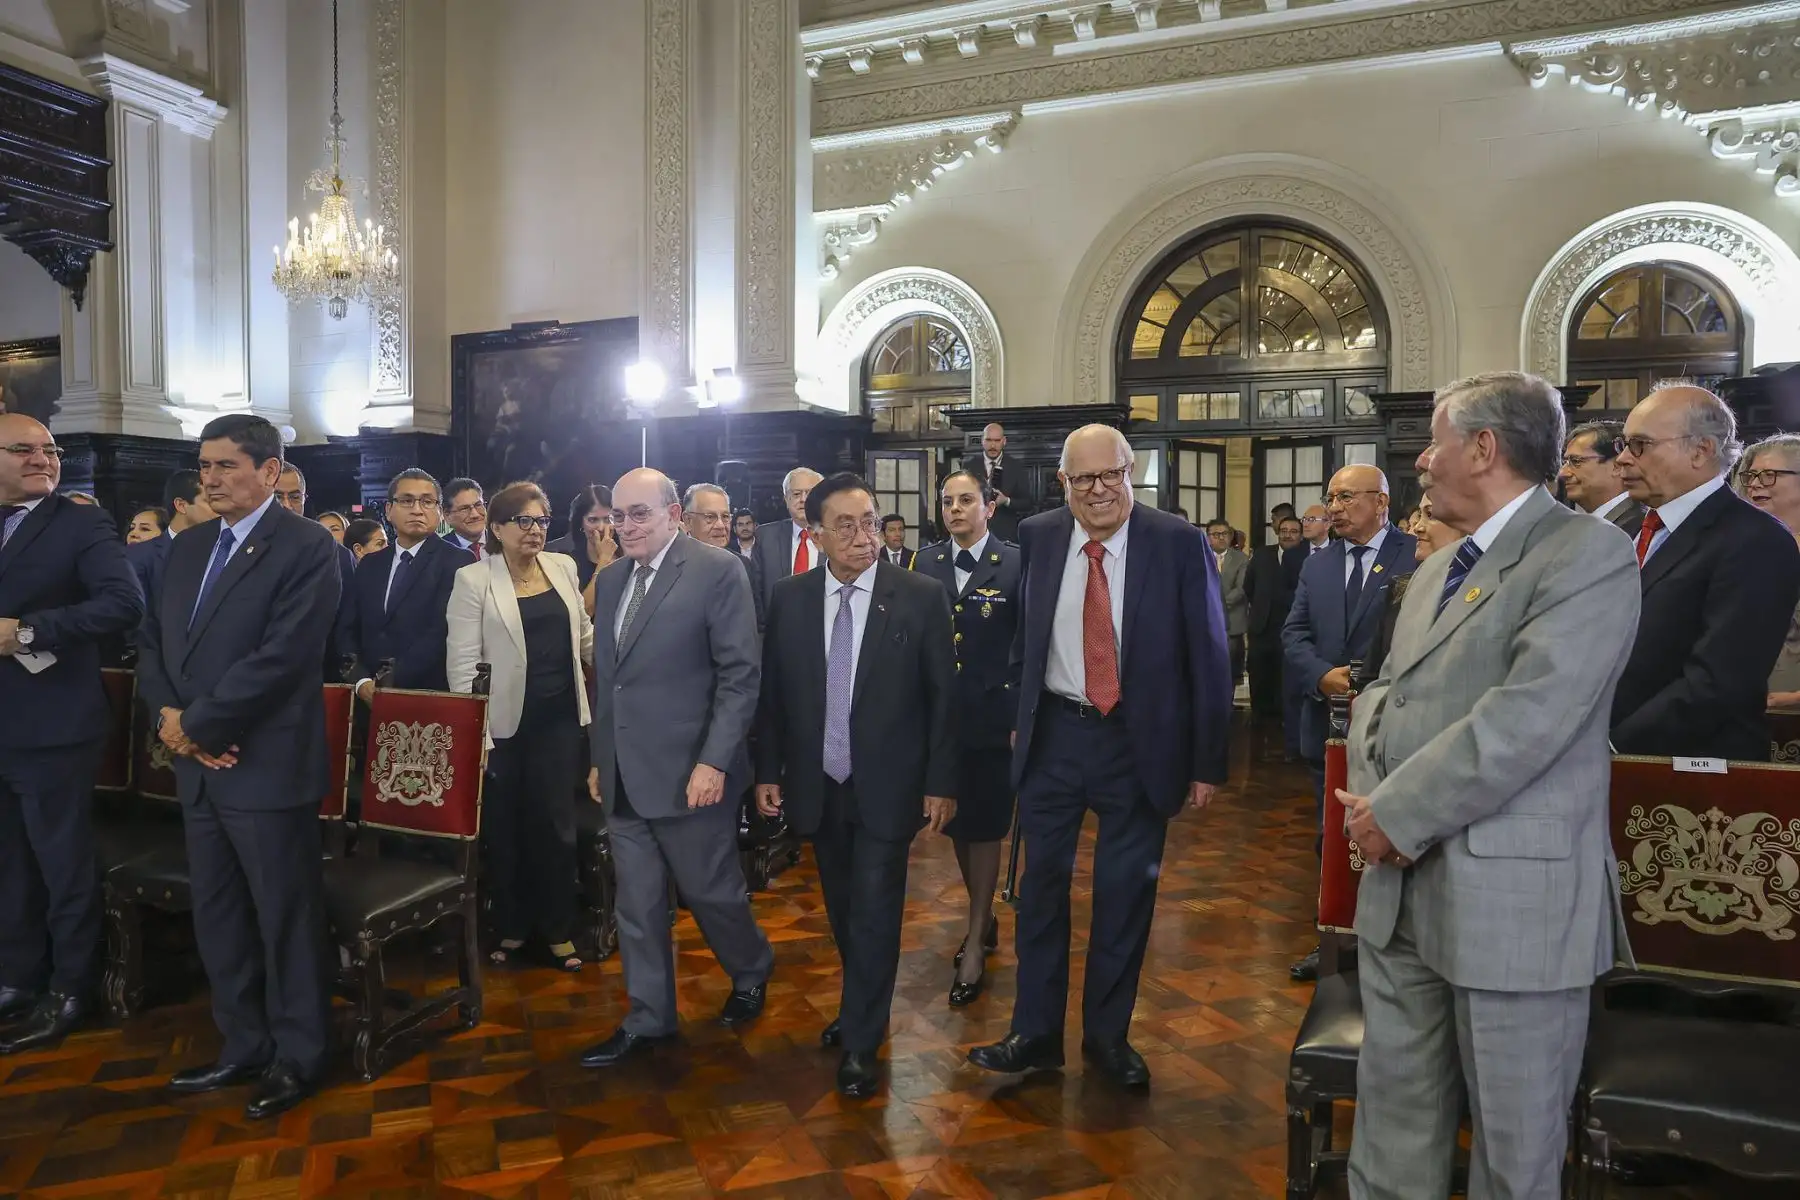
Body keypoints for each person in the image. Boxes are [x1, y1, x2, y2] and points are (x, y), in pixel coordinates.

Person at [1338, 372, 1639, 1199]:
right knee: (1391, 1130)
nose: (1422, 461)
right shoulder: (1434, 570)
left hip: (1513, 907)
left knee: (1513, 1153)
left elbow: (1529, 719)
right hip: (1402, 889)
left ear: (1484, 448)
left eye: (1435, 442)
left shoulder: (1588, 555)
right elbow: (1383, 693)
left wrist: (1394, 813)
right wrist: (1372, 808)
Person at [968, 425, 1231, 1090]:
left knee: (1124, 894)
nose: (1099, 490)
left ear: (1131, 471)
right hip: (1055, 737)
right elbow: (1025, 633)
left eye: (1110, 475)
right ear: (1063, 483)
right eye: (1083, 479)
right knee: (1040, 893)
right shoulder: (1040, 534)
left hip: (1137, 745)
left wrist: (1206, 763)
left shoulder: (1175, 542)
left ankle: (1109, 1038)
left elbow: (1209, 656)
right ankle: (1035, 1034)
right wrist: (1018, 721)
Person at [137, 414, 341, 1120]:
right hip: (200, 765)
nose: (212, 479)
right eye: (205, 467)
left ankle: (301, 1054)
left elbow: (285, 656)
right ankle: (244, 1043)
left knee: (284, 917)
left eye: (226, 466)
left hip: (265, 763)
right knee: (220, 914)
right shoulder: (187, 547)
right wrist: (173, 721)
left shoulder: (307, 546)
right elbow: (156, 643)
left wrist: (199, 725)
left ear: (272, 470)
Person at [755, 472, 956, 1098]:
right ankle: (859, 1004)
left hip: (890, 786)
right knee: (844, 911)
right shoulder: (789, 598)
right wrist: (767, 771)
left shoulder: (919, 595)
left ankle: (863, 1042)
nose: (864, 535)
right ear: (816, 534)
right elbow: (774, 698)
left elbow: (942, 700)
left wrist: (940, 782)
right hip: (818, 783)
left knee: (874, 910)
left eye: (870, 520)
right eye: (846, 525)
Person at [577, 470, 771, 1068]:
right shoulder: (610, 582)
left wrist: (714, 762)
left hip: (693, 775)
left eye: (638, 514)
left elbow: (740, 676)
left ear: (672, 516)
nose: (625, 526)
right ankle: (649, 1018)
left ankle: (750, 970)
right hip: (624, 776)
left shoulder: (717, 571)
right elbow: (609, 683)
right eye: (618, 516)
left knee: (712, 894)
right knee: (634, 905)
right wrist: (598, 760)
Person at [0, 414, 143, 1053]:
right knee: (8, 861)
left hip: (53, 724)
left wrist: (27, 631)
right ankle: (16, 977)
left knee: (60, 861)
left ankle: (70, 988)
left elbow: (122, 604)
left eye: (50, 450)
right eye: (24, 450)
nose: (42, 459)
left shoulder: (80, 521)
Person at [1611, 383, 1800, 760]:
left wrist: (1614, 743)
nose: (1623, 460)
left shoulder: (1755, 539)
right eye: (1623, 444)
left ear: (1701, 450)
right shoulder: (1629, 530)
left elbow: (1720, 680)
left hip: (1694, 772)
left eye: (1640, 445)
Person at [446, 481, 592, 971]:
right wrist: (478, 736)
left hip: (559, 721)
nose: (535, 530)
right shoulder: (474, 579)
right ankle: (511, 927)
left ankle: (557, 930)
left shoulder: (563, 566)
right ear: (497, 527)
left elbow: (584, 638)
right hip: (503, 727)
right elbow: (463, 665)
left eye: (542, 521)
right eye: (523, 521)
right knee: (505, 830)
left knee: (555, 828)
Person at [1281, 465, 1415, 981]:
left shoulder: (1415, 552)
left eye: (1345, 497)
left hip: (1393, 724)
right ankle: (1336, 935)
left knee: (1392, 833)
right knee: (1331, 836)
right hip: (1328, 723)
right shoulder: (1317, 563)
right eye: (1330, 498)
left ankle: (1392, 942)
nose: (1333, 507)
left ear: (1380, 501)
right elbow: (1293, 632)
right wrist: (1321, 676)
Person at [914, 469, 1019, 1006]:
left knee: (987, 825)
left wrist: (1023, 713)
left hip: (992, 717)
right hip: (941, 719)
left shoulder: (1016, 563)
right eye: (948, 502)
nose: (955, 509)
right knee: (958, 824)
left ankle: (975, 936)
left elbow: (1026, 645)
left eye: (966, 500)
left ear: (988, 507)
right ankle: (984, 916)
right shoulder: (925, 562)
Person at [338, 470, 463, 696]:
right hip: (365, 696)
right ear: (388, 510)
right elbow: (348, 628)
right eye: (406, 501)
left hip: (426, 696)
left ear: (440, 512)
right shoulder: (369, 564)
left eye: (427, 501)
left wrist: (388, 685)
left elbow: (440, 633)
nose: (417, 509)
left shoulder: (458, 561)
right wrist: (361, 681)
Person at [1741, 434, 1800, 711]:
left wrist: (1793, 699)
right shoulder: (1740, 548)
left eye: (1769, 475)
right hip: (1741, 711)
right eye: (1751, 475)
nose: (1754, 484)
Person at [1245, 513, 1302, 727]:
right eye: (1284, 531)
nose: (1288, 535)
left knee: (1284, 677)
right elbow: (1248, 587)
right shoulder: (1262, 554)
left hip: (1290, 627)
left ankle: (1284, 720)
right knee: (1259, 673)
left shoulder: (1307, 557)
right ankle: (1259, 718)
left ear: (1301, 535)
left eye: (1293, 531)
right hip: (1262, 626)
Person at [126, 470, 214, 606]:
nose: (219, 508)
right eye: (210, 501)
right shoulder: (139, 556)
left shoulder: (224, 551)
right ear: (181, 505)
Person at [749, 467, 821, 618]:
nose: (803, 499)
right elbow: (755, 594)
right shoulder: (765, 536)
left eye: (809, 493)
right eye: (796, 494)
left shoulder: (835, 536)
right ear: (786, 499)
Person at [1560, 419, 1645, 536]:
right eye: (1565, 462)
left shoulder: (1636, 528)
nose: (1563, 473)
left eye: (1576, 461)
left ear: (1617, 466)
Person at [544, 483, 618, 592]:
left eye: (608, 519)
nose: (601, 528)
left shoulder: (628, 555)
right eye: (593, 520)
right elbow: (583, 609)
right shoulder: (569, 564)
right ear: (581, 523)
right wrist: (604, 560)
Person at [1206, 519, 1249, 690]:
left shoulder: (1241, 559)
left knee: (1230, 673)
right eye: (1215, 534)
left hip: (1232, 624)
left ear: (1231, 536)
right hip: (1205, 622)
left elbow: (1241, 589)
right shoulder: (1200, 555)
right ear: (1208, 537)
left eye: (1224, 534)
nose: (1221, 538)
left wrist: (1215, 605)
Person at [974, 422, 1031, 542]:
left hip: (1006, 535)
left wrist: (1006, 501)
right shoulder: (969, 465)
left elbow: (1027, 503)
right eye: (989, 440)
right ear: (982, 441)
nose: (993, 445)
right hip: (976, 533)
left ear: (1004, 441)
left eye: (997, 440)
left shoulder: (1016, 467)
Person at [442, 477, 487, 558]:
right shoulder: (438, 553)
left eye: (478, 505)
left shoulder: (504, 542)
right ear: (447, 515)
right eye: (464, 509)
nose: (475, 515)